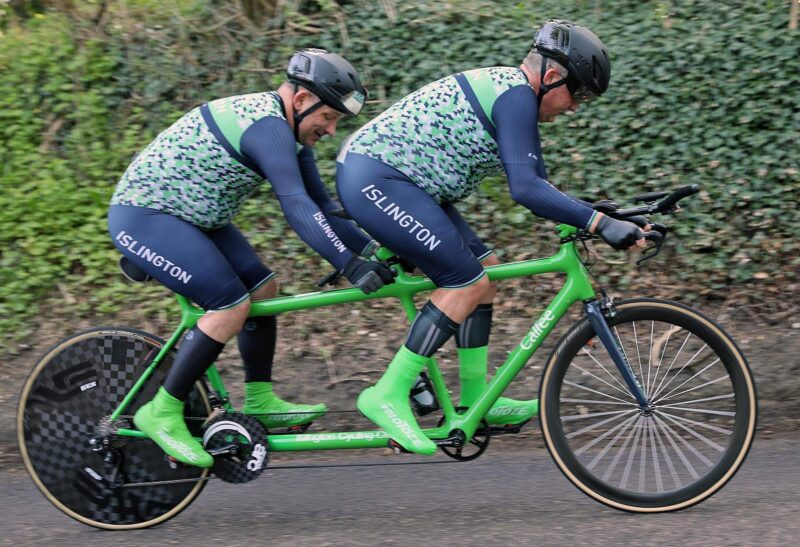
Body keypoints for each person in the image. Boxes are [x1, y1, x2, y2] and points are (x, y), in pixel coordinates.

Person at [336, 20, 645, 454]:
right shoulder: (516, 94)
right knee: (466, 283)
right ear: (552, 76)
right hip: (378, 179)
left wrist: (601, 215)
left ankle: (476, 398)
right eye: (579, 95)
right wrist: (600, 224)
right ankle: (387, 393)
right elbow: (527, 190)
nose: (575, 108)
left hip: (408, 184)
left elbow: (540, 186)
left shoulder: (514, 93)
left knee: (485, 273)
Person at [108, 49, 395, 467]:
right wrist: (350, 266)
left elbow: (324, 207)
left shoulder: (288, 133)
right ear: (300, 101)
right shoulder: (268, 126)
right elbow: (296, 206)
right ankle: (162, 410)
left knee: (264, 288)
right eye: (329, 117)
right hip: (146, 217)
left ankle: (259, 400)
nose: (332, 129)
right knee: (230, 305)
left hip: (194, 217)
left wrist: (373, 249)